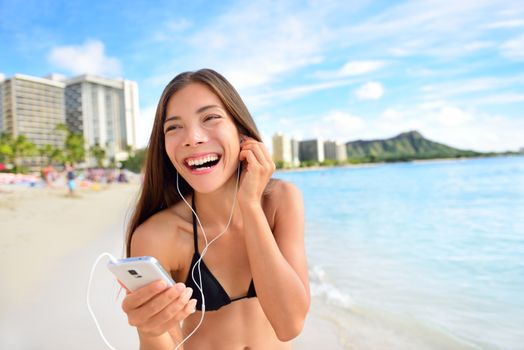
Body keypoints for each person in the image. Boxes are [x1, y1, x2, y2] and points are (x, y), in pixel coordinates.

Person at [122, 69, 309, 349]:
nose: (193, 137)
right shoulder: (158, 235)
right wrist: (150, 331)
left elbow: (289, 324)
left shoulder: (280, 201)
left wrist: (249, 206)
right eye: (174, 127)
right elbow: (167, 343)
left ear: (241, 132)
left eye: (210, 118)